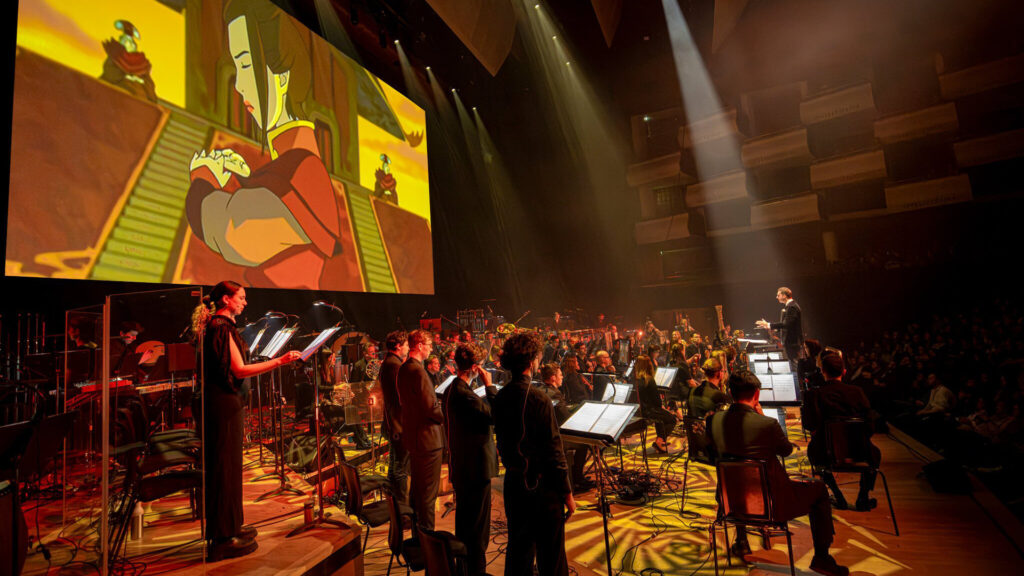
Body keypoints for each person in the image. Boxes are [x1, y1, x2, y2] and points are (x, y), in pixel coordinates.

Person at [186, 0, 359, 291]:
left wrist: (202, 177)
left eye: (245, 64)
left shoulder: (303, 168)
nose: (239, 85)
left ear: (282, 76)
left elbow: (232, 232)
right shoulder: (293, 163)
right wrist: (240, 181)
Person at [191, 281, 301, 561]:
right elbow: (238, 370)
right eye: (241, 297)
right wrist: (281, 361)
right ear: (226, 299)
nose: (245, 302)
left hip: (225, 405)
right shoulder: (220, 327)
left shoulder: (218, 326)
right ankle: (223, 538)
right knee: (224, 470)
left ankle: (231, 527)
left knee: (229, 468)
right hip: (223, 407)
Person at [705, 371, 848, 576]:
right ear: (756, 395)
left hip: (730, 502)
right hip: (771, 504)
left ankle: (742, 540)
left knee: (741, 480)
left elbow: (711, 456)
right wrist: (761, 417)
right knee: (818, 489)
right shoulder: (767, 424)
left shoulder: (714, 421)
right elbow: (786, 450)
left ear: (729, 392)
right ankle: (822, 558)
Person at [493, 332, 575, 576]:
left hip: (514, 484)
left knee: (519, 551)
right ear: (531, 363)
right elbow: (554, 451)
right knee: (552, 556)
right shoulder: (539, 398)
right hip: (542, 487)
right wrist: (567, 493)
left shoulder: (501, 396)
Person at [442, 343, 498, 575]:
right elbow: (496, 416)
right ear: (475, 367)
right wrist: (490, 386)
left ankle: (465, 570)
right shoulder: (466, 396)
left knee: (465, 526)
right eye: (482, 367)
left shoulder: (452, 389)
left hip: (464, 467)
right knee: (477, 531)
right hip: (475, 469)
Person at [803, 353, 880, 511]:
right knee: (875, 453)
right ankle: (863, 497)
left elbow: (810, 425)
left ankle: (838, 495)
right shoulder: (857, 392)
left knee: (812, 450)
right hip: (860, 451)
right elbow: (870, 424)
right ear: (844, 372)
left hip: (825, 452)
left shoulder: (815, 394)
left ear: (823, 371)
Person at [399, 330, 444, 530]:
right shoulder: (418, 371)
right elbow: (430, 408)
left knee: (417, 493)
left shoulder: (404, 368)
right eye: (429, 345)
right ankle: (429, 546)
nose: (431, 349)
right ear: (419, 345)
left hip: (415, 438)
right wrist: (449, 414)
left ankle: (419, 541)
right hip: (428, 440)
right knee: (427, 497)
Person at [379, 330, 410, 504]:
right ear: (398, 346)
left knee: (394, 465)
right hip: (398, 424)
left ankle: (393, 506)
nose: (407, 348)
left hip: (393, 422)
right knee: (400, 468)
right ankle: (402, 510)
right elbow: (401, 397)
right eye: (406, 345)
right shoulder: (394, 365)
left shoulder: (390, 362)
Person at [633, 355, 677, 453]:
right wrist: (664, 408)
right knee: (672, 419)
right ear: (649, 366)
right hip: (648, 411)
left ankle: (660, 440)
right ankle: (659, 440)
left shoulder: (633, 379)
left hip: (637, 411)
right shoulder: (649, 380)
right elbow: (657, 402)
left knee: (661, 417)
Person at [757, 287, 804, 368]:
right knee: (793, 365)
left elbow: (787, 324)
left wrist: (769, 324)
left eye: (778, 295)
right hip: (791, 342)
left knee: (795, 366)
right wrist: (770, 327)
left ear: (784, 296)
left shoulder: (792, 307)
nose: (776, 297)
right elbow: (787, 326)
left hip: (792, 343)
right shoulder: (789, 306)